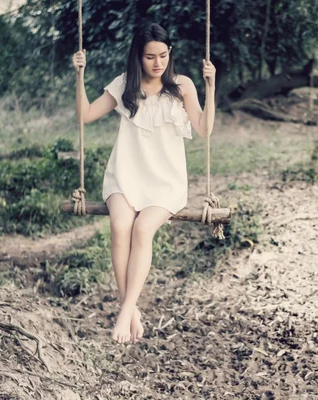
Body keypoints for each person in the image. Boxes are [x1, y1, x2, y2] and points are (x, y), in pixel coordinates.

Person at [71, 22, 216, 344]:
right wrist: (79, 75)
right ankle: (131, 309)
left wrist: (211, 86)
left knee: (142, 229)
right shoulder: (124, 85)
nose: (157, 63)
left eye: (163, 55)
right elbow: (85, 115)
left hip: (165, 181)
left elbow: (204, 129)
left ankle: (125, 311)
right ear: (138, 57)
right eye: (150, 57)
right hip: (125, 173)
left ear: (170, 54)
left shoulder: (182, 86)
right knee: (120, 226)